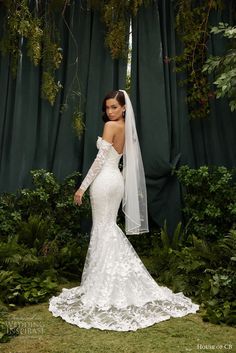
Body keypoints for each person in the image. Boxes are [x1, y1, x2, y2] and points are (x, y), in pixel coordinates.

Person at [49, 90, 199, 331]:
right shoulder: (128, 128)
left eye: (114, 107)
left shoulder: (111, 126)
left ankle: (103, 284)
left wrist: (81, 187)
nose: (110, 112)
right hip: (116, 181)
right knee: (107, 228)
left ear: (123, 108)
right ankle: (105, 280)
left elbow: (99, 161)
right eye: (108, 108)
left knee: (103, 228)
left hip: (104, 182)